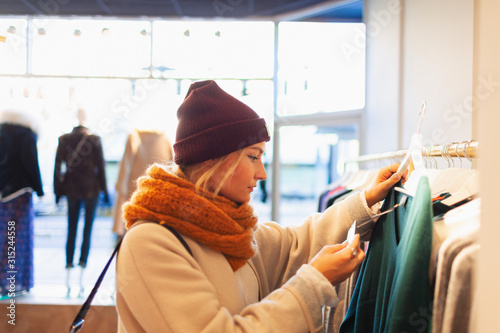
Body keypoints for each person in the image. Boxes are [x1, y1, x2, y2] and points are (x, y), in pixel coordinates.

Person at [115, 80, 406, 332]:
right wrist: (314, 283)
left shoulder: (229, 233)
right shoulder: (151, 243)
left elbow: (296, 243)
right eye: (253, 157)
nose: (262, 173)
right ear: (213, 160)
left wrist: (367, 199)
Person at [53, 108, 109, 295]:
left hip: (71, 189)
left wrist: (57, 192)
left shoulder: (64, 139)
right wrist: (105, 192)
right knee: (87, 230)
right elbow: (101, 167)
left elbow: (57, 168)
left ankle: (69, 267)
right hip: (91, 190)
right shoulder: (94, 140)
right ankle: (82, 268)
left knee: (71, 228)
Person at [0, 108, 44, 297]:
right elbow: (31, 164)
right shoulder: (27, 136)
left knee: (3, 237)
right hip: (20, 194)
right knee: (18, 240)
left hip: (2, 194)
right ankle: (16, 283)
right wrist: (40, 190)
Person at [112, 129, 174, 242]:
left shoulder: (134, 136)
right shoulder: (165, 138)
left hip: (135, 196)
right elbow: (172, 169)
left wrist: (121, 189)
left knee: (132, 234)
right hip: (159, 198)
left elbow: (125, 168)